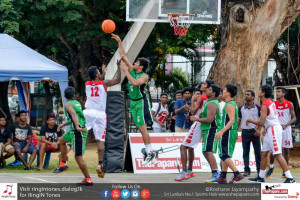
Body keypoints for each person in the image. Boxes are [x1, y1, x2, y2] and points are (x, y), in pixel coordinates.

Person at [112, 33, 158, 166]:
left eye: (137, 62)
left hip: (141, 103)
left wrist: (126, 71)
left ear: (141, 66)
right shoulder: (133, 69)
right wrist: (119, 42)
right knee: (139, 128)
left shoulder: (144, 76)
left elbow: (135, 83)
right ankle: (150, 152)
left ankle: (150, 153)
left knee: (143, 129)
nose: (135, 63)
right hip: (133, 102)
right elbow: (123, 56)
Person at [247, 85, 295, 183]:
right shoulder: (271, 102)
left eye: (260, 90)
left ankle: (290, 178)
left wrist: (250, 120)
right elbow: (265, 121)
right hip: (271, 128)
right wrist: (261, 128)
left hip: (273, 129)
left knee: (277, 154)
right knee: (264, 153)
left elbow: (261, 122)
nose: (259, 91)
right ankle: (260, 177)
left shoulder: (265, 104)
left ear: (263, 93)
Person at [83, 60, 121, 178]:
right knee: (100, 141)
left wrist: (102, 73)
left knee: (78, 134)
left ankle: (67, 150)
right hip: (100, 114)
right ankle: (100, 164)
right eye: (99, 72)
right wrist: (118, 67)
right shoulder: (104, 83)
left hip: (87, 113)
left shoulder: (87, 84)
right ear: (97, 75)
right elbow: (117, 81)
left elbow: (97, 81)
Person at [52, 87, 92, 186]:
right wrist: (63, 125)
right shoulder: (77, 103)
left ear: (65, 96)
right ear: (74, 95)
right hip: (73, 131)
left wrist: (78, 127)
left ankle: (88, 179)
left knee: (78, 157)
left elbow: (74, 115)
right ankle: (63, 164)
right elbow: (73, 117)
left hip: (78, 133)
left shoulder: (68, 104)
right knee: (61, 141)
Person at [174, 82, 211, 181]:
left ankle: (184, 172)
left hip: (197, 124)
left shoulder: (202, 97)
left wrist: (192, 99)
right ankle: (190, 171)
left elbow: (193, 111)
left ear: (206, 87)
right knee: (190, 148)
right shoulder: (208, 98)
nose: (202, 84)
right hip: (202, 123)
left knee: (183, 147)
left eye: (204, 83)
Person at [192, 84, 221, 183]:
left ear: (213, 93)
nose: (206, 91)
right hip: (207, 129)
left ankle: (216, 173)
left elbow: (209, 120)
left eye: (209, 89)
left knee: (208, 151)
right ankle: (215, 171)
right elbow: (208, 116)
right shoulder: (209, 102)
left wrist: (196, 118)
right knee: (205, 152)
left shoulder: (211, 103)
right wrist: (202, 114)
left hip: (211, 129)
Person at [215, 84, 244, 184]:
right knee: (225, 154)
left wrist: (221, 131)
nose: (223, 91)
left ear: (228, 93)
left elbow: (231, 121)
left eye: (224, 89)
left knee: (223, 155)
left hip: (228, 132)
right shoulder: (229, 104)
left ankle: (237, 173)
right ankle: (223, 176)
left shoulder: (230, 104)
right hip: (228, 132)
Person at [265, 87, 296, 178]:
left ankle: (284, 170)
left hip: (286, 129)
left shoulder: (289, 104)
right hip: (276, 129)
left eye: (279, 92)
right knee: (273, 149)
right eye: (276, 91)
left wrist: (286, 125)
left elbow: (294, 118)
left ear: (283, 94)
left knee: (286, 150)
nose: (277, 93)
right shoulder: (273, 104)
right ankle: (271, 167)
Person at [238, 90, 261, 176]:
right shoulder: (241, 108)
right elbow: (239, 119)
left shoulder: (258, 107)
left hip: (255, 132)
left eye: (248, 94)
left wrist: (259, 130)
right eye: (245, 94)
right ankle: (246, 170)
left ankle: (259, 170)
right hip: (245, 132)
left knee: (258, 152)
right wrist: (236, 131)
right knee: (245, 152)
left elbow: (261, 120)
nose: (246, 96)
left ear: (253, 97)